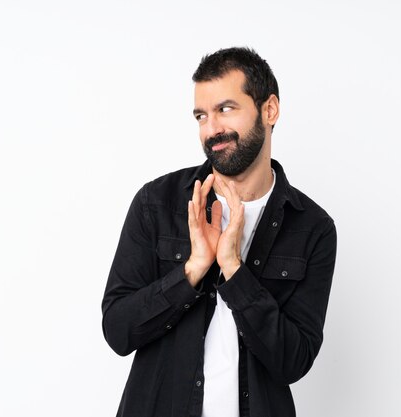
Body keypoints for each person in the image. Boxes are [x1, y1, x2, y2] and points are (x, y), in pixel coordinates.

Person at [102, 47, 337, 417]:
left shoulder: (311, 227)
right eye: (201, 115)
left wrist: (234, 268)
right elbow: (118, 330)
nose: (211, 129)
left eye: (226, 109)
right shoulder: (157, 204)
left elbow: (294, 361)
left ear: (269, 110)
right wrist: (193, 270)